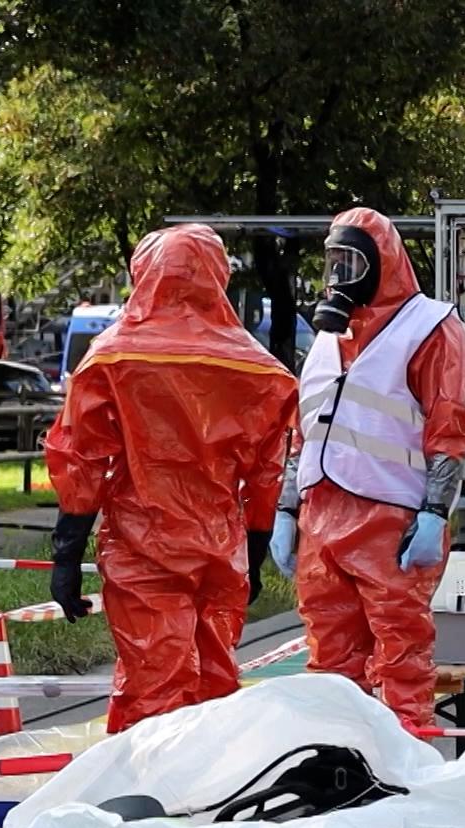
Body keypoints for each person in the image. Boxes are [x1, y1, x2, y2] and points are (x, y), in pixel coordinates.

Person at [44, 224, 297, 731]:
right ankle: (211, 800)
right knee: (213, 686)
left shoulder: (114, 356)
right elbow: (268, 470)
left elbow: (82, 458)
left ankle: (152, 804)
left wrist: (67, 551)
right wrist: (254, 545)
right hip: (220, 548)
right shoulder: (259, 367)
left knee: (153, 693)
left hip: (145, 543)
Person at [269, 207, 465, 729]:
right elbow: (305, 429)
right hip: (322, 521)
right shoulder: (326, 339)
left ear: (380, 262)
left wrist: (434, 510)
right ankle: (338, 769)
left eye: (350, 261)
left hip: (393, 522)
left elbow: (450, 427)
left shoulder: (431, 326)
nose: (339, 275)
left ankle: (405, 775)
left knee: (402, 658)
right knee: (330, 663)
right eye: (332, 261)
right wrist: (287, 506)